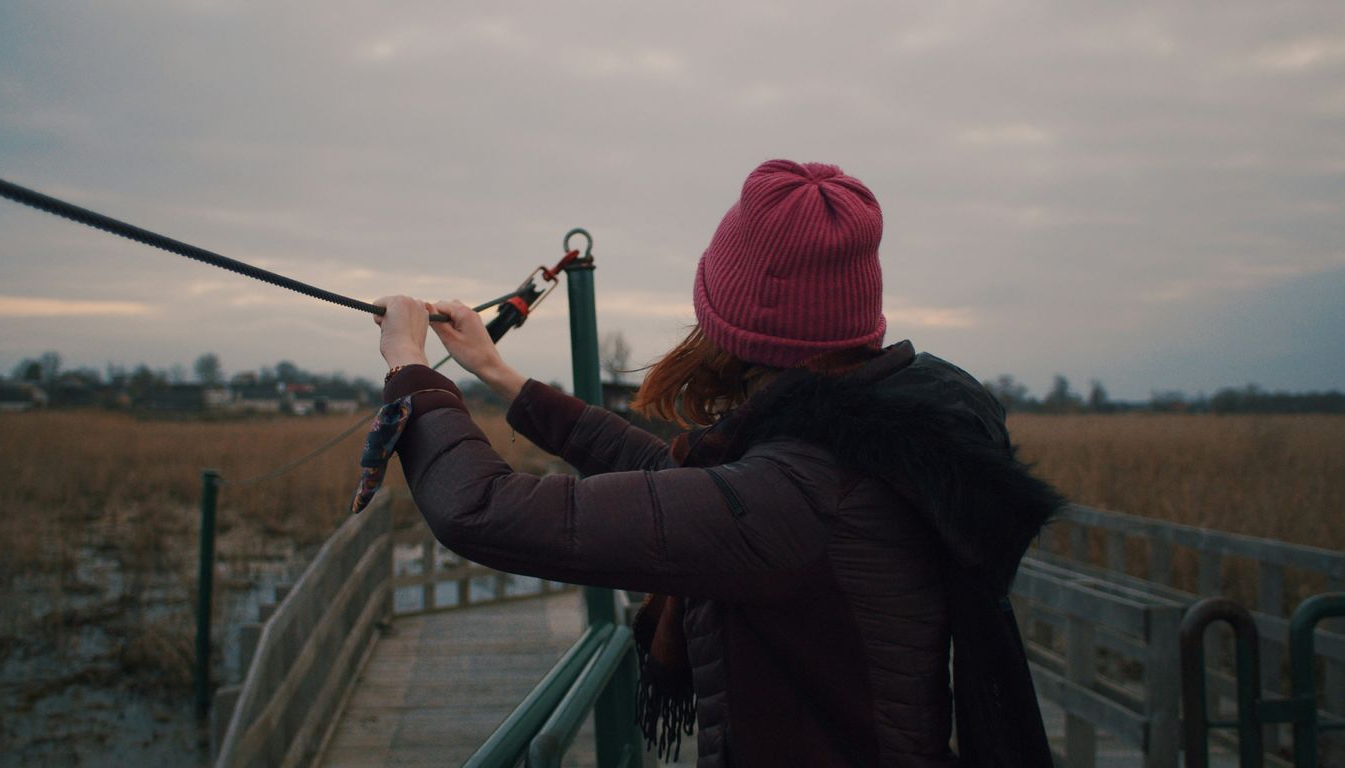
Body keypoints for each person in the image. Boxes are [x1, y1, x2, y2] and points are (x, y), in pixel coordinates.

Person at [370, 160, 1061, 767]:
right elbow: (678, 484)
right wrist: (496, 371)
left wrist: (410, 369)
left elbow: (482, 510)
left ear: (735, 319)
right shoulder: (865, 446)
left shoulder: (797, 498)